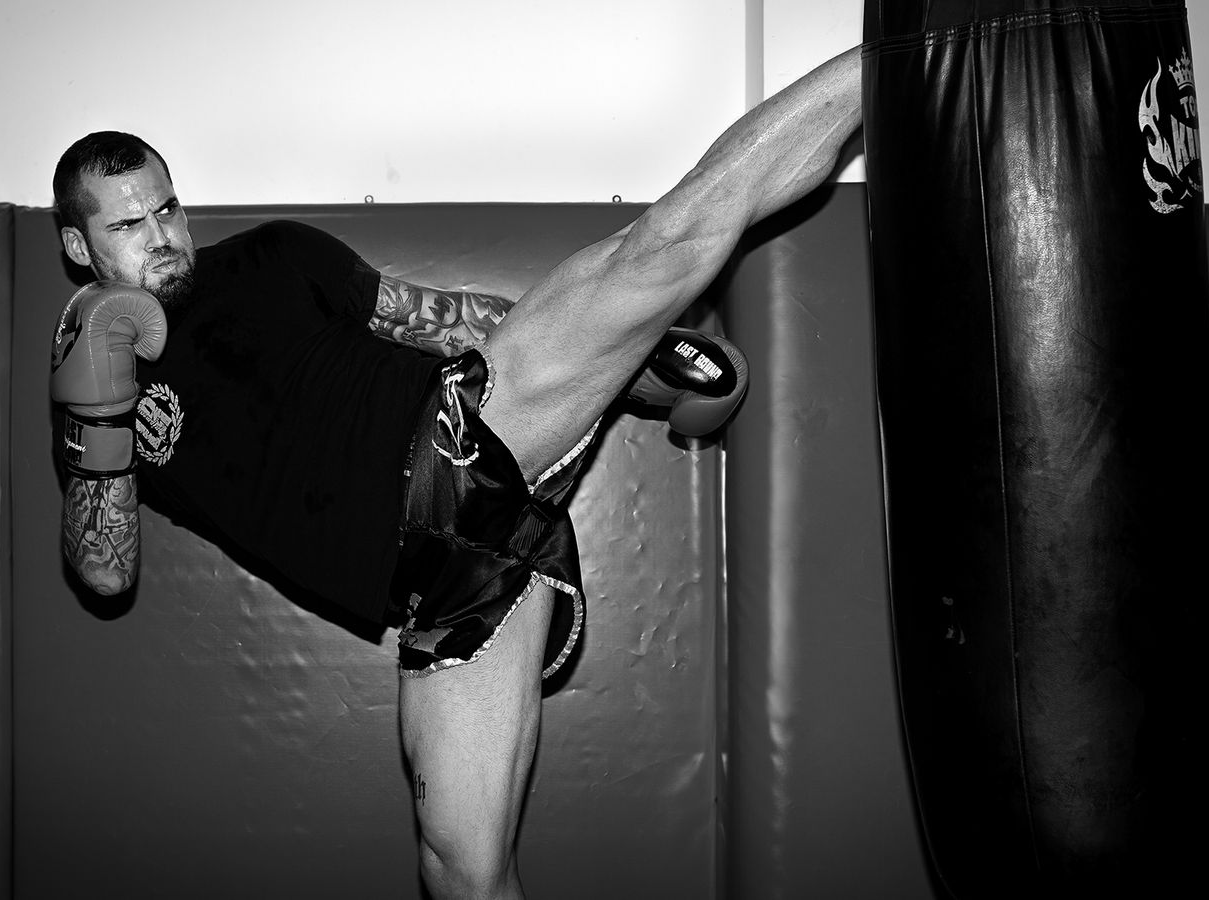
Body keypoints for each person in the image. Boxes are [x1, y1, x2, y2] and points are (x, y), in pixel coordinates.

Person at [51, 46, 861, 900]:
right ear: (78, 244)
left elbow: (438, 320)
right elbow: (104, 571)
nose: (165, 238)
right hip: (441, 587)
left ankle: (896, 63)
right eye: (129, 226)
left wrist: (627, 355)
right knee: (463, 873)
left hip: (455, 436)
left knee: (663, 243)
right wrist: (99, 405)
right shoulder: (93, 397)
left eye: (168, 208)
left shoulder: (267, 259)